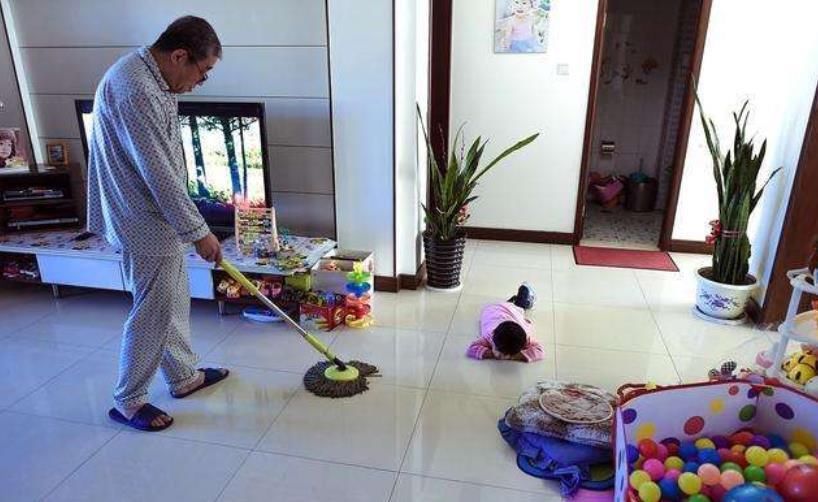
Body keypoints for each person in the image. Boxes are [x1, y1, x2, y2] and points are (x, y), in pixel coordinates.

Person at [86, 16, 229, 431]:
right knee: (153, 311)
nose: (199, 83)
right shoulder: (138, 91)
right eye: (202, 73)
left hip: (154, 216)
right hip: (142, 219)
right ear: (179, 55)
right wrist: (199, 232)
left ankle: (183, 377)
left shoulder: (148, 74)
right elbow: (159, 173)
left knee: (172, 298)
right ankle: (128, 400)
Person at [466, 283, 545, 362]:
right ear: (493, 336)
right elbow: (471, 349)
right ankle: (518, 299)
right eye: (499, 350)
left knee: (518, 309)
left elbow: (540, 351)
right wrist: (490, 353)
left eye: (508, 355)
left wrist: (518, 356)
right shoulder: (489, 336)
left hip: (503, 310)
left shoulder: (524, 337)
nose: (503, 356)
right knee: (518, 307)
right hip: (494, 309)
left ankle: (519, 296)